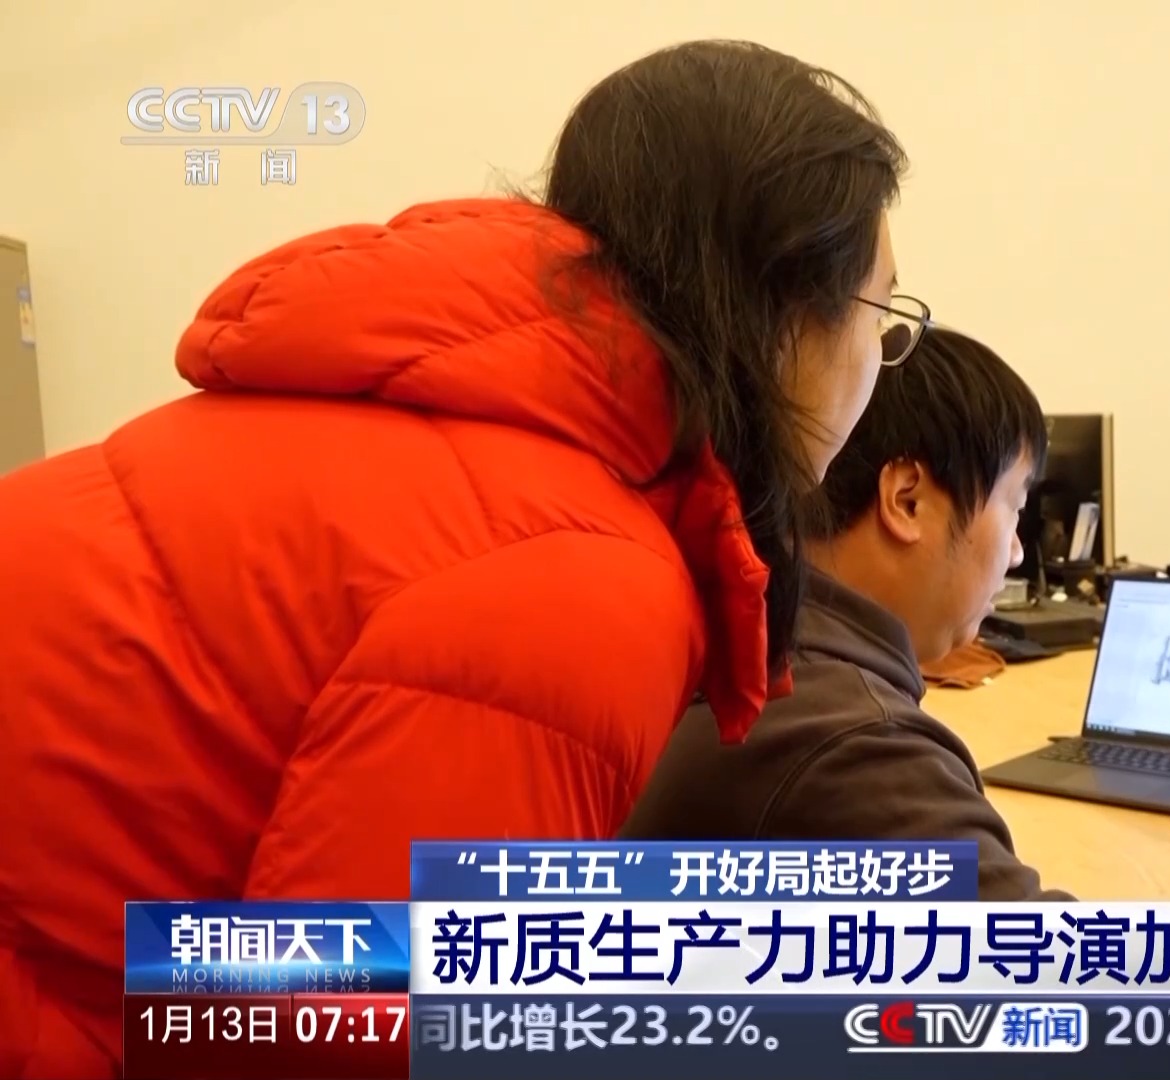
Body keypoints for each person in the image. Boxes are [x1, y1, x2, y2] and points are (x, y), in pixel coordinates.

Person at [0, 41, 914, 1079]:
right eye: (883, 317)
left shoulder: (477, 417)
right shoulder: (579, 576)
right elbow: (333, 1036)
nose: (879, 364)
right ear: (787, 304)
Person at [625, 327, 1070, 901]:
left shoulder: (762, 646)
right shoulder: (854, 743)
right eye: (1015, 507)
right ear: (907, 500)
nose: (1017, 551)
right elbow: (1046, 950)